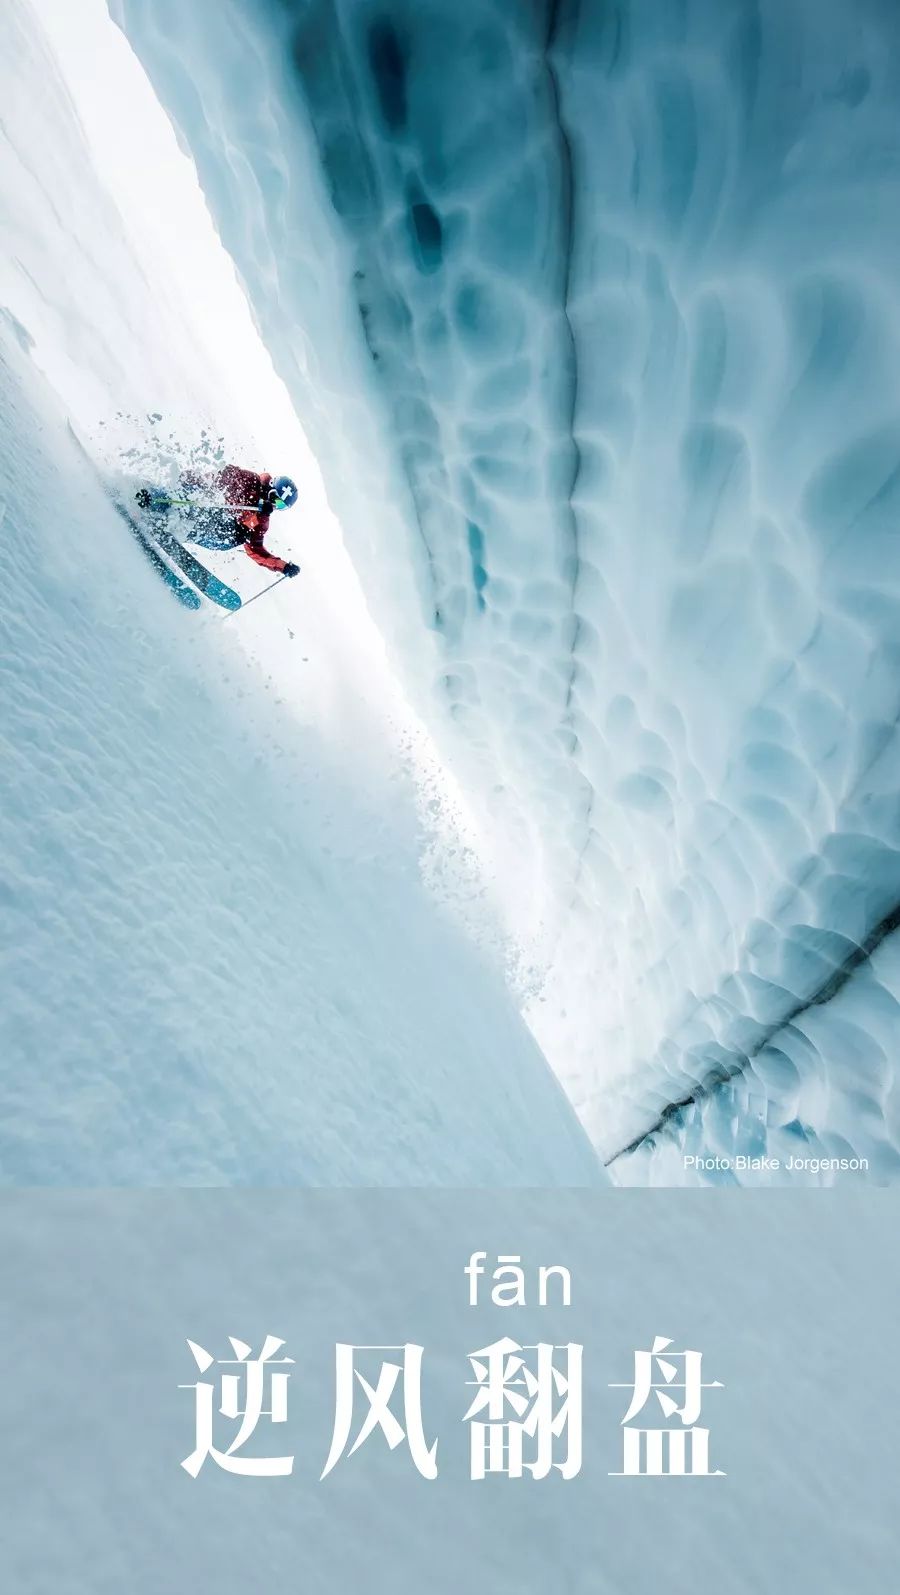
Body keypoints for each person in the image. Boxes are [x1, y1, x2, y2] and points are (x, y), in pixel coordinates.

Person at [136, 464, 300, 576]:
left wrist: (283, 566)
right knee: (193, 502)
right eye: (275, 498)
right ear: (270, 486)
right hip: (204, 500)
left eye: (280, 505)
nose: (274, 504)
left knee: (235, 536)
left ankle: (171, 529)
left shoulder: (262, 519)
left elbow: (255, 550)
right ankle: (150, 497)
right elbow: (221, 478)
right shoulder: (251, 481)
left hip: (211, 528)